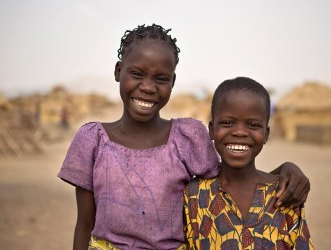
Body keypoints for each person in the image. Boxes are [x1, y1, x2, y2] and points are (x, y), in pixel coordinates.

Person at [58, 24, 310, 250]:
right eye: (136, 74)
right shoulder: (93, 140)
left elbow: (232, 180)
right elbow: (84, 224)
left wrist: (285, 170)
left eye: (161, 79)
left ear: (173, 81)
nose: (147, 87)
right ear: (118, 71)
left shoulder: (187, 138)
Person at [184, 77, 313, 249]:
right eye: (227, 123)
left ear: (266, 134)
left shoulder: (285, 194)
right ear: (212, 129)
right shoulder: (194, 196)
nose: (239, 132)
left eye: (252, 125)